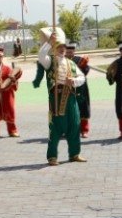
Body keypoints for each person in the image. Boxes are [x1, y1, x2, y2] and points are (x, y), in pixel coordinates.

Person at [35, 33, 86, 165]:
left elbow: (82, 78)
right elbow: (40, 56)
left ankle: (74, 154)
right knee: (56, 127)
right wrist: (49, 43)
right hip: (56, 98)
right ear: (54, 48)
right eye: (59, 46)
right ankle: (52, 157)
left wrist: (74, 81)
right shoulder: (49, 61)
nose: (62, 49)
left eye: (63, 47)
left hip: (71, 97)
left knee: (75, 125)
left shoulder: (71, 63)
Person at [65, 43, 92, 137]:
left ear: (74, 51)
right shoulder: (61, 60)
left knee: (83, 108)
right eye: (67, 52)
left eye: (70, 51)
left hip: (81, 88)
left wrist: (83, 66)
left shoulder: (80, 60)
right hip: (66, 88)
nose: (69, 53)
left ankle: (84, 131)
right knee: (68, 110)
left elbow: (86, 71)